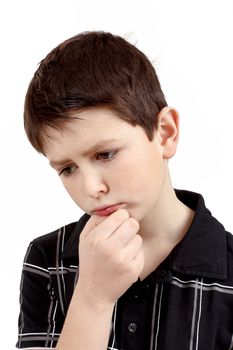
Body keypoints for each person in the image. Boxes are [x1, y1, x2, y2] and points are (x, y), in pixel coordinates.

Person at [16, 31, 233, 350]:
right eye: (67, 168)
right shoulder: (47, 261)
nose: (91, 188)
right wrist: (92, 299)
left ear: (165, 134)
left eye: (105, 154)